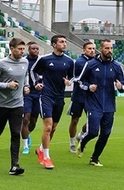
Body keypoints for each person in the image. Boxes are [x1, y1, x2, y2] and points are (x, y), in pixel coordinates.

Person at [0, 38, 30, 175]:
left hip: (18, 104)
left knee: (16, 133)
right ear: (12, 48)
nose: (22, 51)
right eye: (19, 49)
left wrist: (26, 86)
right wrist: (7, 85)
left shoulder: (25, 62)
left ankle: (14, 165)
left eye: (23, 49)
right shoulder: (1, 63)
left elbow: (25, 76)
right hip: (2, 104)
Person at [75, 39, 124, 165]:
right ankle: (83, 142)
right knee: (93, 132)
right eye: (106, 48)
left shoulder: (116, 66)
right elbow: (80, 81)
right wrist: (88, 87)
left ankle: (94, 158)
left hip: (109, 105)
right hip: (93, 103)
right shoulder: (91, 64)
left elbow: (122, 85)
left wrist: (120, 87)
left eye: (111, 48)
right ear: (101, 49)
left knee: (106, 133)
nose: (109, 51)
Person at [30, 34, 74, 169]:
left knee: (53, 128)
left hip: (60, 97)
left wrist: (69, 81)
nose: (64, 44)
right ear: (54, 44)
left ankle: (40, 150)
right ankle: (47, 157)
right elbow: (32, 71)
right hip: (46, 96)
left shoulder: (69, 61)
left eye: (65, 42)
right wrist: (36, 83)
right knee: (48, 127)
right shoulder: (44, 59)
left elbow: (73, 77)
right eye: (61, 42)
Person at [67, 41, 96, 153]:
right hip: (79, 95)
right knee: (74, 120)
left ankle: (81, 135)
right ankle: (72, 142)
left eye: (93, 48)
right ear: (84, 50)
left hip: (91, 96)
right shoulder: (80, 62)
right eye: (89, 48)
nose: (92, 50)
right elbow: (77, 79)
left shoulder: (96, 62)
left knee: (93, 119)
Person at [21, 41, 41, 155]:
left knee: (33, 121)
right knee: (26, 118)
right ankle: (25, 146)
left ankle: (27, 134)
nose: (35, 50)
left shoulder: (41, 61)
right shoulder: (24, 61)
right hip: (26, 93)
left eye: (37, 49)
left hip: (38, 94)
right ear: (28, 50)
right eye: (33, 49)